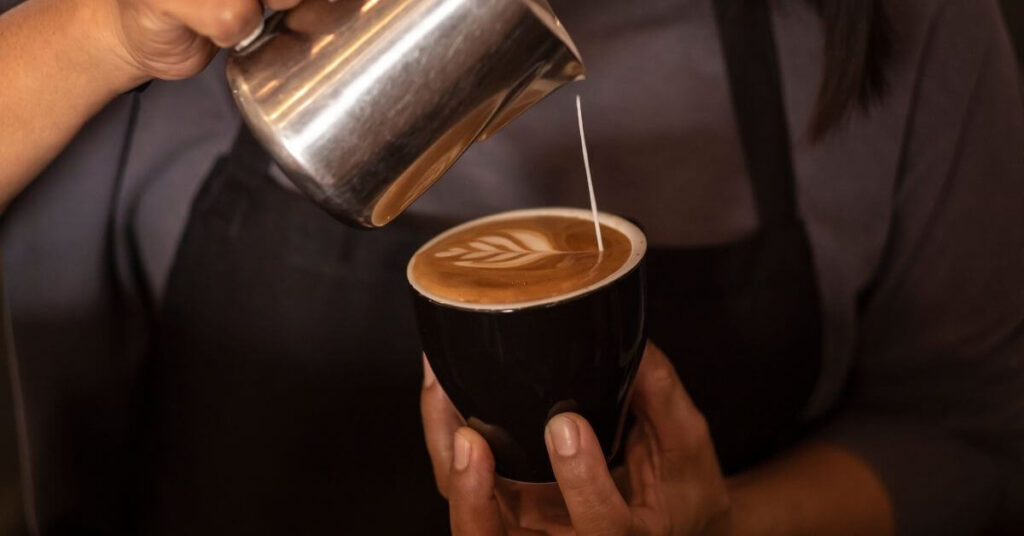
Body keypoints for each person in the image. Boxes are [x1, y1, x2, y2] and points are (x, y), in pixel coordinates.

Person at [0, 0, 1021, 535]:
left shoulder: (912, 27)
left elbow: (970, 430)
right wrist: (96, 30)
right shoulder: (184, 31)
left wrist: (731, 520)